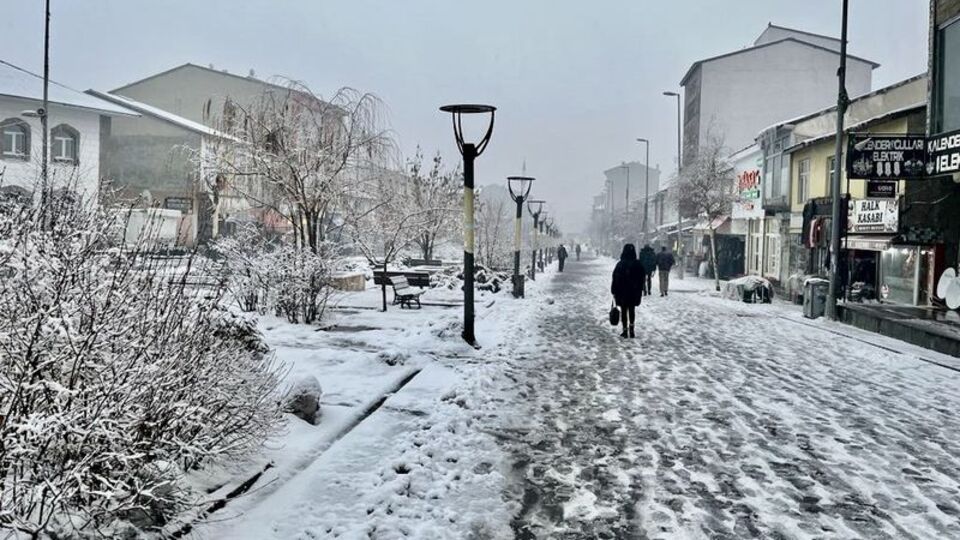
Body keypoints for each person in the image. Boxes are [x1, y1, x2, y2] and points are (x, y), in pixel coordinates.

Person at [611, 244, 645, 338]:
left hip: (622, 292)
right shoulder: (638, 264)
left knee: (624, 310)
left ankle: (625, 330)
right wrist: (640, 288)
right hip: (634, 292)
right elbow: (642, 278)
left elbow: (615, 278)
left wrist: (614, 290)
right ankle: (632, 329)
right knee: (632, 310)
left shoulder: (620, 264)